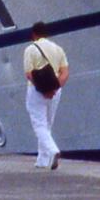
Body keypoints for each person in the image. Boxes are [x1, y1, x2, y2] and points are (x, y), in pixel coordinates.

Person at [21, 22, 69, 169]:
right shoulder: (58, 49)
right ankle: (42, 160)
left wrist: (43, 89)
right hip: (56, 91)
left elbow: (29, 74)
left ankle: (52, 150)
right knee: (48, 123)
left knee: (39, 124)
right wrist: (54, 88)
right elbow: (65, 72)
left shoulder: (30, 49)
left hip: (37, 90)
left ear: (34, 34)